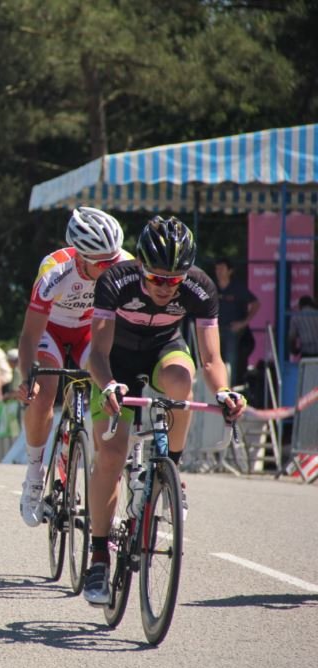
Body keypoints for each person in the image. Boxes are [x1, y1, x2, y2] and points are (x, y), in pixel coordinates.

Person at [83, 216, 246, 605]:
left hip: (164, 349)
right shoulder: (116, 280)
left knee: (180, 380)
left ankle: (172, 468)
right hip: (114, 361)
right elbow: (98, 354)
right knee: (111, 455)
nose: (164, 287)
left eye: (174, 280)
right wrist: (108, 386)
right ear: (140, 264)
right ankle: (99, 557)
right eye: (156, 278)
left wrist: (224, 391)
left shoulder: (199, 287)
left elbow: (211, 359)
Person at [16, 206, 131, 526]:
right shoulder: (54, 272)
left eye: (114, 259)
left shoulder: (125, 264)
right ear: (81, 258)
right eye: (103, 264)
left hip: (90, 332)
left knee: (111, 386)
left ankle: (109, 478)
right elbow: (29, 336)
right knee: (43, 392)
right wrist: (27, 377)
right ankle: (34, 474)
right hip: (51, 332)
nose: (112, 268)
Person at [213, 257, 259, 386]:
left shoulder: (237, 288)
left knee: (230, 360)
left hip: (231, 330)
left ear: (230, 271)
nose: (219, 272)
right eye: (217, 269)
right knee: (212, 359)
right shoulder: (212, 287)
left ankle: (229, 388)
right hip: (214, 330)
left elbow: (256, 303)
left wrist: (244, 323)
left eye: (222, 269)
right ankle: (214, 387)